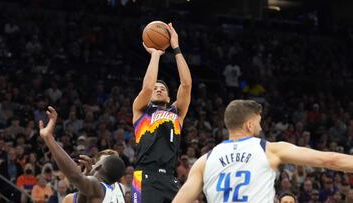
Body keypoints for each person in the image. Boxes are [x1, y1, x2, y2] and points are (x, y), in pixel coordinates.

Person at [173, 100, 353, 203]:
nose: (260, 128)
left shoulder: (204, 161)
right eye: (258, 123)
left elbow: (180, 200)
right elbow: (329, 160)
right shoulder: (269, 149)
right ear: (249, 125)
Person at [132, 22, 192, 203]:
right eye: (155, 89)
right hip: (145, 177)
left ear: (168, 98)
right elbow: (148, 86)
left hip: (170, 179)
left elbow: (186, 84)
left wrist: (176, 47)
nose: (158, 89)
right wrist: (156, 55)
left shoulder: (177, 112)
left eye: (163, 89)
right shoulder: (141, 110)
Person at [39, 106, 126, 203]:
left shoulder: (98, 187)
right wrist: (85, 179)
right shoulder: (118, 194)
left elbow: (75, 176)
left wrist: (49, 138)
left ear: (99, 166)